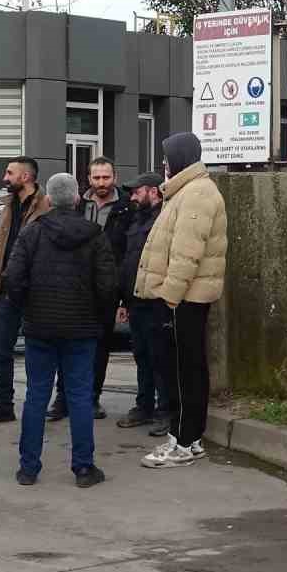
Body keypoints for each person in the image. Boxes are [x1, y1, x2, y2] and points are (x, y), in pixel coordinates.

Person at [5, 173, 117, 489]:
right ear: (78, 199)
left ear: (49, 200)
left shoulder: (32, 233)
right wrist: (97, 315)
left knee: (36, 395)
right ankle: (83, 468)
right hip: (82, 328)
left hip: (40, 327)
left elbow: (13, 278)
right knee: (80, 397)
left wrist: (28, 307)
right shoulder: (95, 235)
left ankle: (28, 468)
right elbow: (108, 285)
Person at [137, 133, 228, 469]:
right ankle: (181, 437)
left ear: (180, 158)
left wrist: (169, 299)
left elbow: (186, 255)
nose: (163, 166)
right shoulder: (184, 192)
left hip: (184, 300)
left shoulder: (197, 193)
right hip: (181, 298)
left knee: (184, 372)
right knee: (180, 369)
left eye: (166, 159)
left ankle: (186, 443)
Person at [47, 157, 131, 422]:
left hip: (107, 287)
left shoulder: (127, 208)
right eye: (96, 178)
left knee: (99, 347)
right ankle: (62, 398)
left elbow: (128, 251)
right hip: (75, 286)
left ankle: (91, 397)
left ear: (114, 177)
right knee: (66, 343)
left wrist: (122, 295)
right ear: (88, 178)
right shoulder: (77, 205)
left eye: (106, 177)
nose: (101, 183)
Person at [0, 156, 52, 425]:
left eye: (10, 173)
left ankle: (39, 404)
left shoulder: (46, 206)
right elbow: (1, 250)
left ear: (26, 177)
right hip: (7, 288)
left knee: (37, 351)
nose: (4, 178)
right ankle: (3, 404)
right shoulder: (8, 205)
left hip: (35, 290)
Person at [114, 173, 168, 435]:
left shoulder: (164, 219)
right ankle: (144, 406)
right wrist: (124, 300)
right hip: (135, 300)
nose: (133, 197)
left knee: (160, 358)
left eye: (137, 192)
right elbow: (129, 262)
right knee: (142, 356)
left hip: (156, 300)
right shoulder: (138, 220)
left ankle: (164, 411)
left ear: (153, 191)